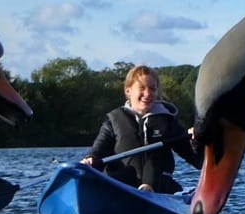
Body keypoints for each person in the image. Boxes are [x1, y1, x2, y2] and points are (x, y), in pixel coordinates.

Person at [82, 65, 202, 193]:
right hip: (121, 186)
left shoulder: (168, 122)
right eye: (142, 88)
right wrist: (91, 158)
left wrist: (196, 141)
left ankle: (148, 188)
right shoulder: (113, 121)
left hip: (159, 188)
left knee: (154, 154)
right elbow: (99, 149)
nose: (148, 94)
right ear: (128, 91)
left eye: (152, 89)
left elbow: (198, 161)